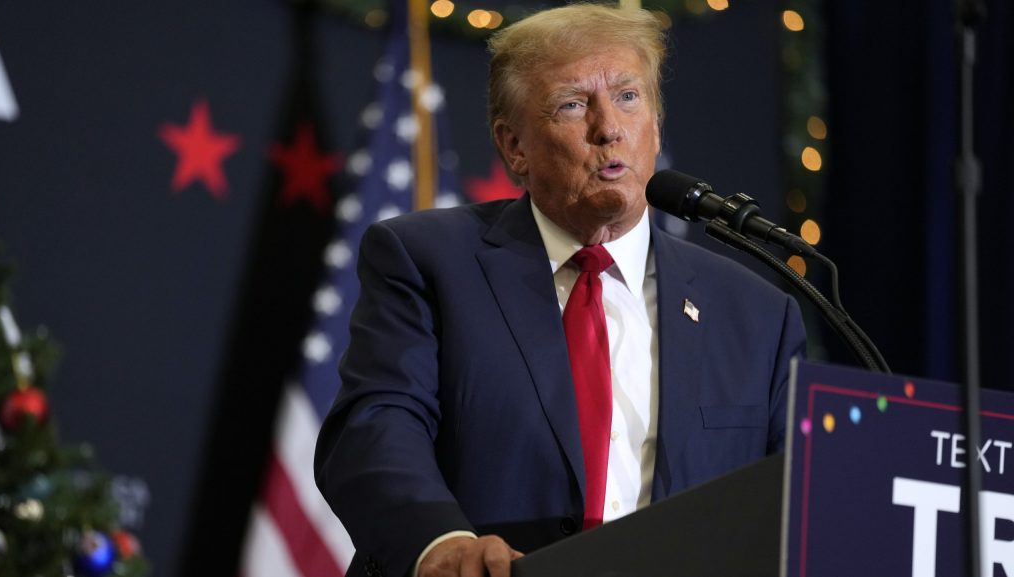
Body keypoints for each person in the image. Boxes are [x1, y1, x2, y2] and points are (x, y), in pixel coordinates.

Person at [314, 4, 807, 577]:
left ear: (656, 125)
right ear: (514, 146)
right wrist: (441, 544)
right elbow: (376, 425)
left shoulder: (757, 314)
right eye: (573, 104)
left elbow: (791, 502)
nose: (609, 128)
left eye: (628, 97)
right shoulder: (429, 261)